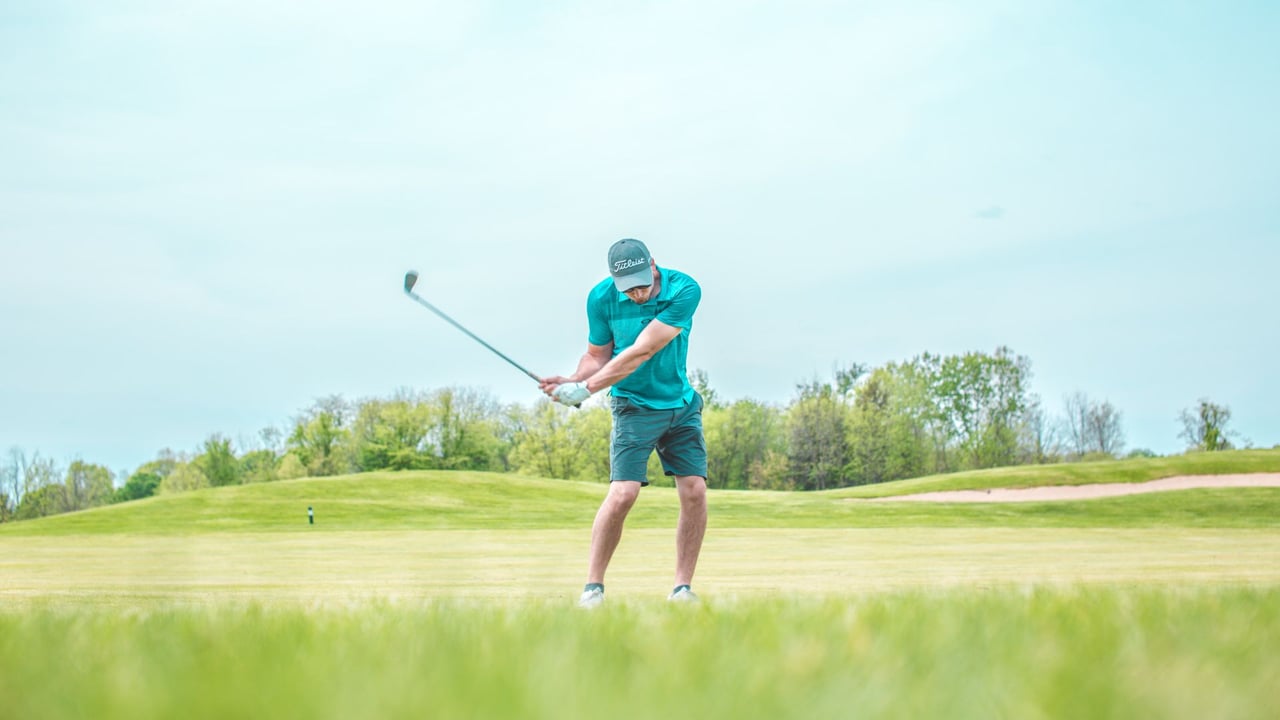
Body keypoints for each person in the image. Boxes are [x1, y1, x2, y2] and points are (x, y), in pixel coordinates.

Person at [540, 238, 707, 608]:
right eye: (628, 287)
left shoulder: (684, 290)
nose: (637, 293)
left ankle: (682, 589)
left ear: (653, 264)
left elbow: (643, 350)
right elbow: (597, 355)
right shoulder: (600, 298)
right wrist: (572, 381)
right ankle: (592, 589)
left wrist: (587, 389)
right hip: (633, 406)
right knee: (623, 493)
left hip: (680, 403)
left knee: (694, 489)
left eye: (642, 283)